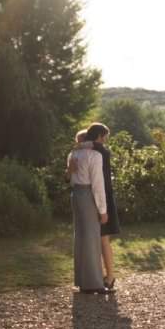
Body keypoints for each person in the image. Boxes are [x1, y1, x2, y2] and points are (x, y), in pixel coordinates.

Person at [67, 129, 110, 294]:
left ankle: (83, 282)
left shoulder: (73, 154)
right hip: (87, 194)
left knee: (81, 237)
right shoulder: (94, 156)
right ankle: (95, 284)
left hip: (76, 194)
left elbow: (69, 178)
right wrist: (103, 210)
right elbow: (98, 186)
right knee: (92, 237)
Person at [83, 123, 120, 291]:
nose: (106, 139)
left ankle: (108, 276)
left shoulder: (88, 150)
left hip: (96, 197)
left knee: (101, 239)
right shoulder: (100, 151)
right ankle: (108, 276)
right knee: (103, 239)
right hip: (102, 196)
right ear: (99, 135)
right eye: (105, 136)